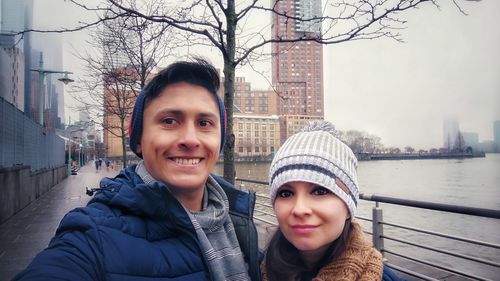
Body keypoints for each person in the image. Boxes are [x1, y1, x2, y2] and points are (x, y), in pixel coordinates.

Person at [14, 59, 261, 281]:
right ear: (139, 139)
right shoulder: (93, 235)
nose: (190, 139)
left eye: (204, 123)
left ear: (220, 140)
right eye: (169, 121)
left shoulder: (236, 218)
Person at [262, 120, 403, 281]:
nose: (299, 209)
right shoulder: (252, 267)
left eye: (320, 191)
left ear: (348, 207)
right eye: (286, 193)